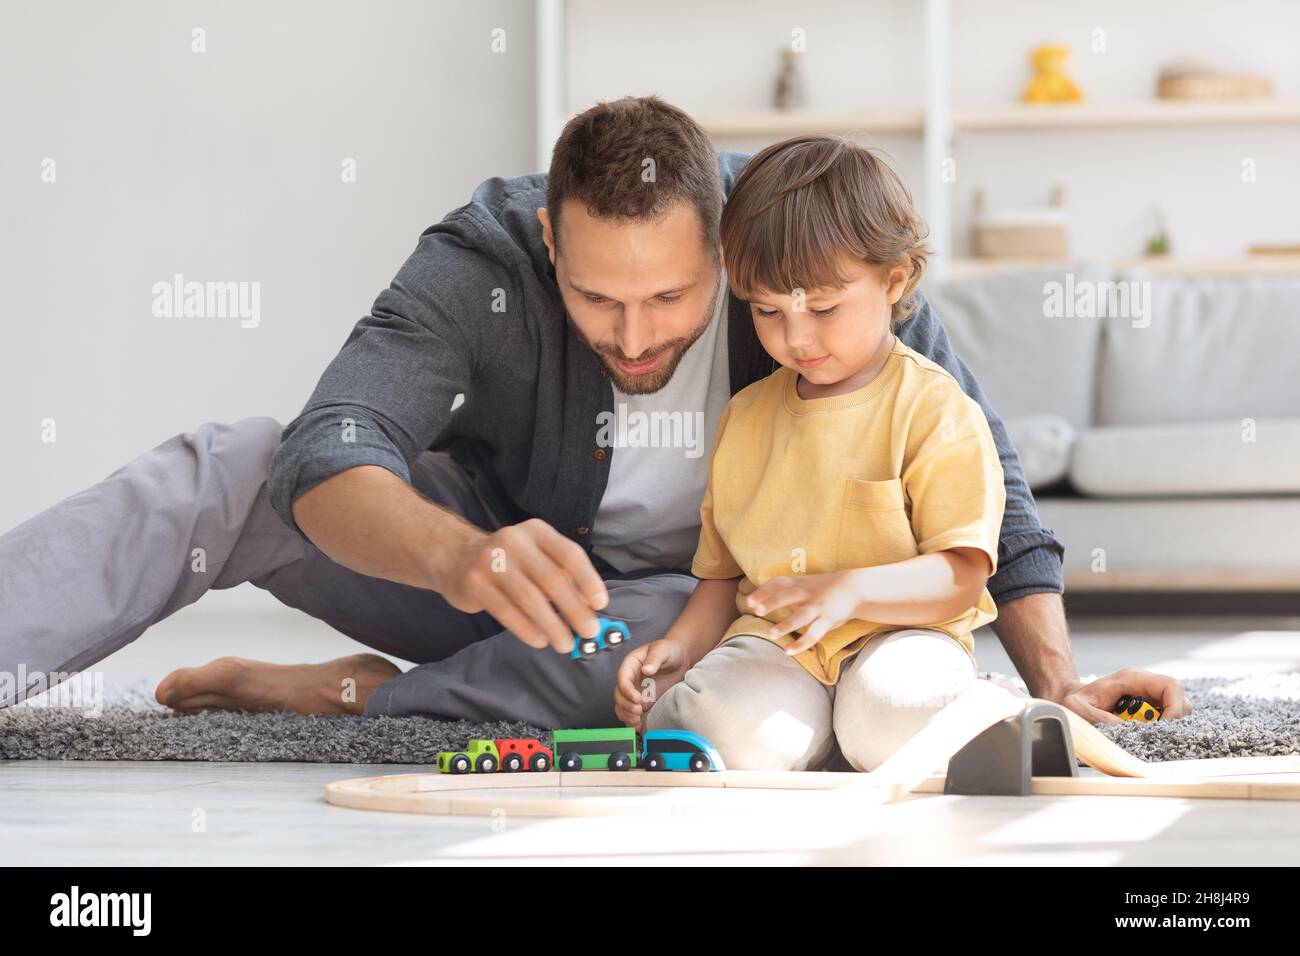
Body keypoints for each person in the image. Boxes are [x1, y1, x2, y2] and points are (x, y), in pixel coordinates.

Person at [0, 96, 1189, 729]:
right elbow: (334, 441)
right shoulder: (483, 256)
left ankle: (352, 694)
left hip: (683, 613)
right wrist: (461, 554)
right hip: (487, 583)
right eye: (593, 297)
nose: (632, 335)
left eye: (672, 296)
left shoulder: (801, 256)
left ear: (726, 248)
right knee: (232, 463)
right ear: (547, 241)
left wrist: (1054, 682)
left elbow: (999, 495)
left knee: (689, 650)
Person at [616, 135, 1005, 770]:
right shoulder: (746, 418)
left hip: (904, 638)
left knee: (894, 718)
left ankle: (973, 707)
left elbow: (962, 577)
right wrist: (679, 650)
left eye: (822, 309)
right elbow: (721, 577)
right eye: (767, 313)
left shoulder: (935, 408)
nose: (796, 338)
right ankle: (814, 735)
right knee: (721, 729)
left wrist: (850, 592)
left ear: (894, 279)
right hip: (778, 647)